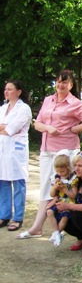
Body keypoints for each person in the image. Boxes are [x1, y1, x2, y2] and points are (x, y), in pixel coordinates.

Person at [17, 69, 82, 239]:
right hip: (47, 149)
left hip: (65, 150)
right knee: (47, 188)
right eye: (59, 81)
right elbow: (37, 123)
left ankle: (68, 228)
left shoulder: (75, 103)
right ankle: (38, 228)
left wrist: (74, 129)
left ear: (71, 85)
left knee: (64, 188)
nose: (60, 85)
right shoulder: (49, 100)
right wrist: (48, 128)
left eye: (64, 82)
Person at [0, 80, 32, 232]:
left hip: (16, 151)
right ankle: (4, 215)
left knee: (18, 182)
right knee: (3, 182)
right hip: (3, 149)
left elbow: (12, 129)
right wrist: (6, 127)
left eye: (10, 89)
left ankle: (18, 218)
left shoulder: (24, 109)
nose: (6, 92)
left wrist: (6, 127)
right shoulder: (3, 108)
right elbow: (8, 128)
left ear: (18, 92)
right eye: (5, 89)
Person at [45, 154, 79, 247]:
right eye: (57, 171)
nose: (59, 173)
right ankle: (56, 233)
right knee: (49, 212)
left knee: (64, 218)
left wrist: (63, 189)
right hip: (59, 200)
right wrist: (55, 188)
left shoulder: (73, 178)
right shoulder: (56, 177)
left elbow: (73, 195)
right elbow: (52, 195)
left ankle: (58, 234)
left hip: (68, 202)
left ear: (68, 167)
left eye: (62, 171)